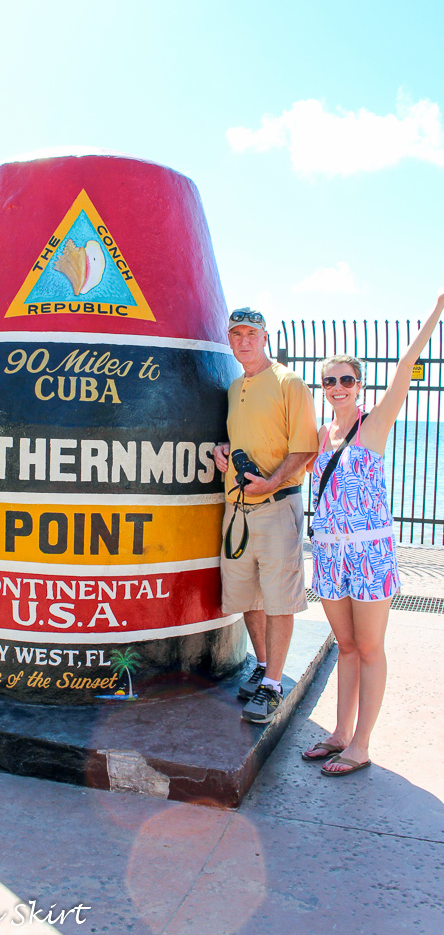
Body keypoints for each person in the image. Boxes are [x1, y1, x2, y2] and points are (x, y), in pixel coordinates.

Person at [302, 288, 444, 777]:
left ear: (359, 385)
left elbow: (406, 369)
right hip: (328, 554)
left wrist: (435, 313)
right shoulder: (322, 435)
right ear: (322, 387)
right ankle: (340, 733)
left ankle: (361, 744)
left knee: (370, 648)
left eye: (345, 379)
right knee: (344, 647)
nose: (337, 386)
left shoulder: (374, 426)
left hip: (370, 555)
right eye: (329, 380)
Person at [214, 307, 318, 723]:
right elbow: (241, 436)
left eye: (250, 334)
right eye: (236, 334)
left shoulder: (289, 381)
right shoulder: (235, 385)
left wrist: (271, 482)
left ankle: (274, 685)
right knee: (246, 596)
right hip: (238, 510)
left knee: (279, 599)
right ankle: (262, 665)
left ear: (264, 336)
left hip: (277, 506)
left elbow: (306, 447)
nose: (243, 341)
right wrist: (222, 448)